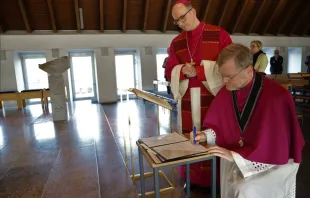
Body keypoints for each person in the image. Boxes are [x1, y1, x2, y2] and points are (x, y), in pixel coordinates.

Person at [191, 43, 305, 198]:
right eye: (221, 75)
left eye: (229, 77)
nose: (224, 81)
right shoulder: (227, 91)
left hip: (273, 164)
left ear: (249, 71)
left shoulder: (277, 98)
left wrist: (237, 156)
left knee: (245, 190)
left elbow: (277, 147)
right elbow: (220, 127)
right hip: (237, 155)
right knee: (231, 178)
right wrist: (205, 135)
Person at [164, 0, 232, 188]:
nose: (180, 24)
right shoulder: (176, 42)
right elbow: (170, 70)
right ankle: (192, 179)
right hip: (187, 100)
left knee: (215, 135)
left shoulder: (219, 35)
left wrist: (200, 72)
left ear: (193, 12)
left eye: (182, 18)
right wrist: (182, 70)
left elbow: (230, 66)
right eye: (176, 21)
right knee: (190, 137)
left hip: (214, 99)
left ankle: (217, 180)